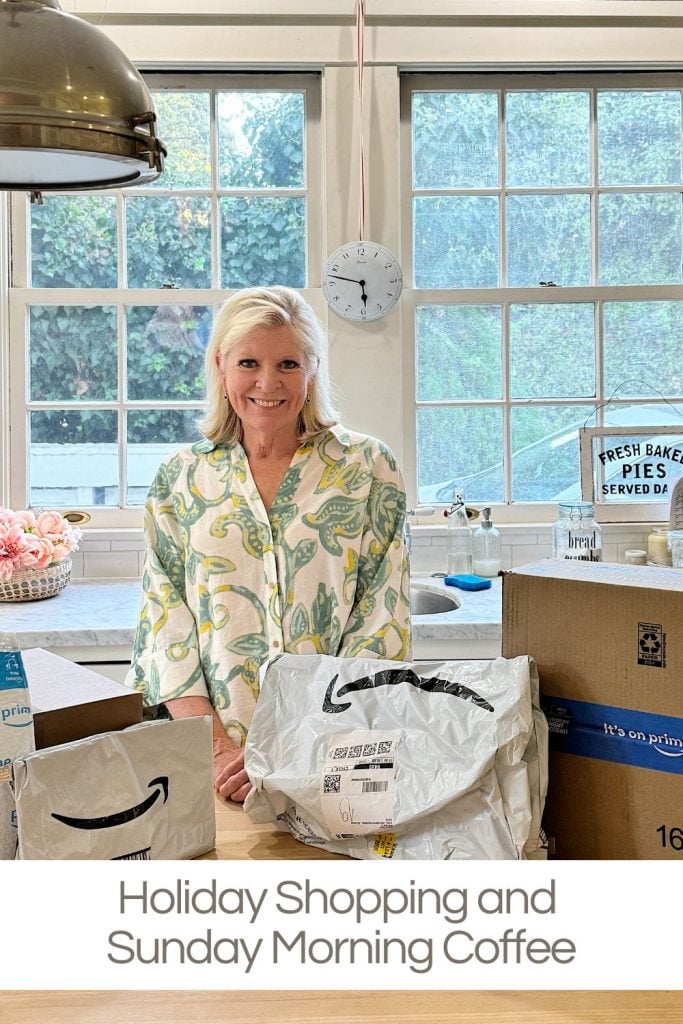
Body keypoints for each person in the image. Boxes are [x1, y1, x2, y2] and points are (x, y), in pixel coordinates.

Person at [127, 286, 411, 805]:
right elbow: (164, 623)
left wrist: (306, 743)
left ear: (313, 368)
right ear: (220, 366)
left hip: (333, 757)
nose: (266, 383)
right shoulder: (180, 478)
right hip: (212, 765)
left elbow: (382, 620)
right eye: (248, 362)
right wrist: (215, 749)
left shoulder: (368, 469)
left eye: (287, 363)